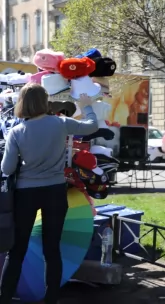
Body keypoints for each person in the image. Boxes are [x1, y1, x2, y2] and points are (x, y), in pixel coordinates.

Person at [0, 84, 98, 304]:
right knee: (52, 250)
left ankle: (4, 297)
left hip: (25, 194)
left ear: (22, 103)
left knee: (16, 251)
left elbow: (6, 169)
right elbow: (92, 126)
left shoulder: (17, 132)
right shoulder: (60, 123)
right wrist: (87, 106)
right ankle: (51, 298)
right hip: (54, 191)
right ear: (45, 102)